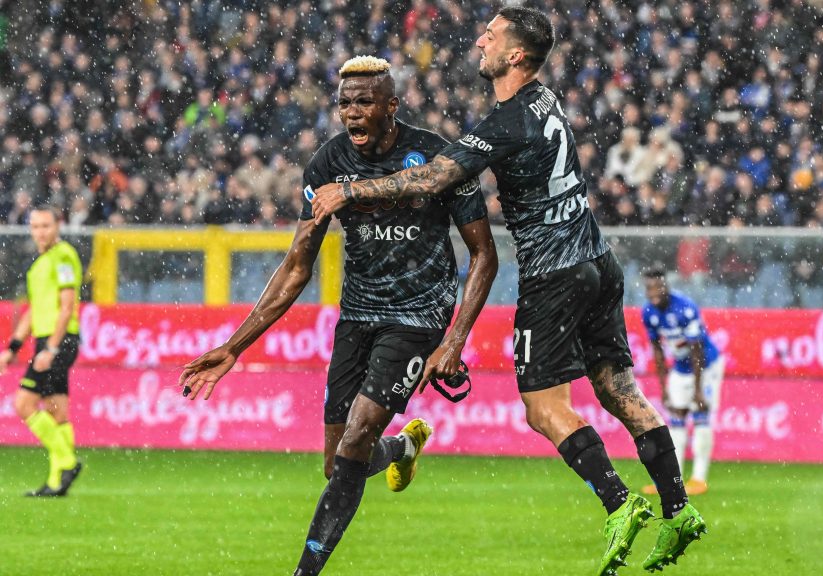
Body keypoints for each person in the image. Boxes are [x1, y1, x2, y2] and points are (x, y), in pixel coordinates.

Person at [309, 8, 705, 575]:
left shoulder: (508, 121)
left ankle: (619, 502)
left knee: (544, 409)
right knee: (619, 390)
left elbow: (433, 177)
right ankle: (679, 507)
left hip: (553, 272)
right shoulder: (545, 101)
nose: (480, 41)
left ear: (515, 55)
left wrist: (351, 191)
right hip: (598, 260)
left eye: (491, 36)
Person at [177, 56, 497, 576]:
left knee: (357, 433)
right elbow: (296, 267)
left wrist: (455, 338)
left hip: (419, 315)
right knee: (337, 464)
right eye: (345, 103)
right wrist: (234, 347)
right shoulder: (327, 164)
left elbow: (484, 254)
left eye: (364, 101)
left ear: (391, 106)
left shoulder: (437, 156)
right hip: (357, 314)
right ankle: (402, 447)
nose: (352, 112)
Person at [0, 206, 84, 497]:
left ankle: (68, 462)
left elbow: (66, 307)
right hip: (47, 340)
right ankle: (56, 481)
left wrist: (51, 347)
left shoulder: (63, 256)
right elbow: (34, 310)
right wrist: (13, 347)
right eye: (35, 227)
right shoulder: (40, 264)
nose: (40, 232)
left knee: (23, 404)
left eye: (46, 226)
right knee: (56, 411)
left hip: (58, 340)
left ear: (57, 226)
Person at [640, 269, 723, 497]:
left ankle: (698, 479)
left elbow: (697, 350)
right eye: (649, 288)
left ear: (666, 287)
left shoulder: (685, 308)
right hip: (679, 368)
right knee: (676, 418)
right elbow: (657, 351)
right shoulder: (648, 312)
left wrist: (698, 390)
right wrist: (664, 388)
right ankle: (672, 481)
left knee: (701, 414)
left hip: (707, 366)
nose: (653, 293)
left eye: (657, 287)